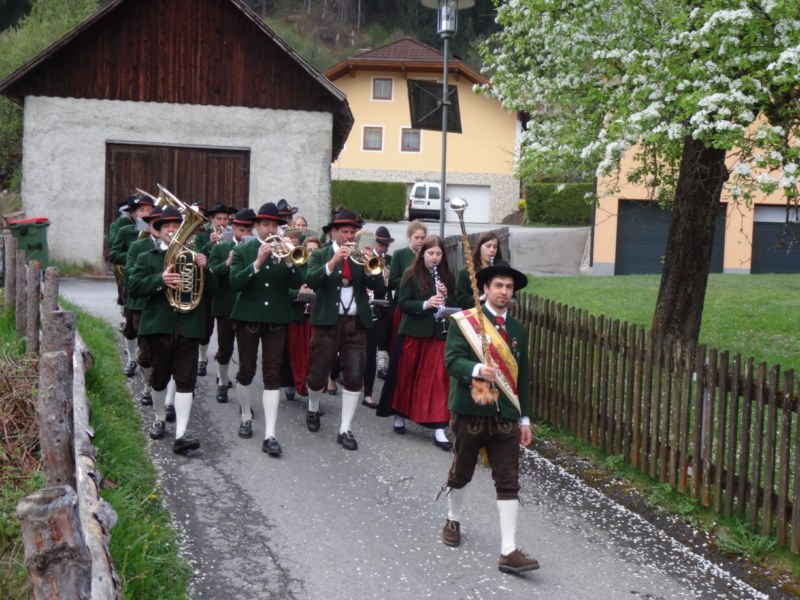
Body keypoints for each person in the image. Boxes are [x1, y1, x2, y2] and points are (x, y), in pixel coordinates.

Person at [440, 260, 538, 574]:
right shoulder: (466, 322)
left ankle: (508, 550)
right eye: (498, 286)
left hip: (505, 416)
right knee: (461, 473)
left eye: (509, 287)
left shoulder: (518, 331)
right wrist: (477, 369)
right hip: (470, 412)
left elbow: (522, 378)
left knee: (508, 480)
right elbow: (452, 361)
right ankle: (453, 519)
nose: (504, 292)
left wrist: (525, 419)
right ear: (485, 288)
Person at [127, 206, 217, 454]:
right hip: (160, 326)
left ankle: (181, 433)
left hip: (189, 326)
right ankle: (159, 418)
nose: (171, 230)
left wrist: (206, 268)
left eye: (176, 226)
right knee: (159, 379)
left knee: (186, 379)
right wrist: (160, 280)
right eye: (166, 226)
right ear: (158, 230)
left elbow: (213, 291)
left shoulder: (194, 257)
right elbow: (133, 287)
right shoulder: (148, 257)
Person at [304, 208, 384, 450]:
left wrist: (370, 264)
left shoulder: (361, 257)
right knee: (318, 374)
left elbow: (379, 286)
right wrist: (333, 262)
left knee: (354, 376)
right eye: (345, 232)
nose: (349, 236)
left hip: (355, 324)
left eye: (352, 232)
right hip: (327, 323)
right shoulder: (321, 254)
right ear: (334, 232)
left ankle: (345, 428)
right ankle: (313, 407)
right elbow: (312, 280)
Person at [229, 203, 304, 456]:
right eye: (266, 225)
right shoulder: (243, 250)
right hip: (248, 317)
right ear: (256, 227)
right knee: (246, 369)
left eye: (274, 225)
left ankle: (270, 433)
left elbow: (299, 282)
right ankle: (246, 416)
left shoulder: (285, 251)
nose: (271, 229)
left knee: (272, 373)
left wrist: (290, 261)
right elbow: (235, 283)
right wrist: (258, 262)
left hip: (276, 319)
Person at [384, 236, 456, 446]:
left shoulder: (447, 276)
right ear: (422, 254)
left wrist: (446, 296)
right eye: (431, 253)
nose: (435, 258)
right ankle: (400, 415)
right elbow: (403, 303)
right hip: (414, 333)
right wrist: (426, 304)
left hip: (438, 335)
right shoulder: (411, 273)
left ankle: (439, 427)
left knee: (438, 381)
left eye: (438, 254)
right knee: (408, 375)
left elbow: (456, 303)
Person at [207, 207, 256, 403]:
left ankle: (244, 390)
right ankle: (222, 381)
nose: (245, 234)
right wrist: (226, 264)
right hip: (225, 305)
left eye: (249, 230)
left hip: (247, 306)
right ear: (233, 228)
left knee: (246, 353)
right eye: (242, 230)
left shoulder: (256, 250)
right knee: (225, 348)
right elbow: (210, 274)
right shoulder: (220, 248)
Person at [109, 194, 155, 376]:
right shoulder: (126, 231)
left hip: (153, 285)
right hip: (133, 283)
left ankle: (148, 365)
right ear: (135, 213)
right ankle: (131, 358)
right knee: (130, 328)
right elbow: (114, 255)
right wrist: (132, 255)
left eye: (150, 210)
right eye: (142, 210)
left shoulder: (158, 233)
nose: (145, 213)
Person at [123, 205, 163, 406]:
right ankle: (148, 384)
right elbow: (130, 273)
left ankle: (165, 393)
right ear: (148, 226)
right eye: (157, 225)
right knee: (145, 353)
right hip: (142, 305)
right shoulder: (138, 246)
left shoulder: (179, 248)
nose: (163, 229)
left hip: (167, 307)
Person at [195, 201, 237, 376]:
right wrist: (210, 244)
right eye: (219, 219)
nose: (222, 222)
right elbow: (196, 254)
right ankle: (202, 358)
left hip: (223, 288)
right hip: (205, 287)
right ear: (212, 219)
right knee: (206, 328)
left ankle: (222, 371)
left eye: (225, 219)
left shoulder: (232, 234)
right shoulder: (201, 234)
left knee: (223, 334)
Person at [285, 236, 322, 401]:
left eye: (316, 250)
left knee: (315, 356)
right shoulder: (296, 267)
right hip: (298, 316)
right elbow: (283, 290)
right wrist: (298, 292)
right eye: (309, 250)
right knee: (295, 353)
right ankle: (292, 382)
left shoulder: (323, 268)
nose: (312, 253)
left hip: (316, 317)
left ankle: (313, 392)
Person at [455, 231, 503, 308]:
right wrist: (482, 297)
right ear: (479, 247)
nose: (492, 250)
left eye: (495, 247)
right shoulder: (464, 272)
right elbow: (462, 301)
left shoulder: (502, 270)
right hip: (474, 313)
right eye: (488, 246)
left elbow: (512, 298)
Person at [373, 226, 395, 379]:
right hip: (373, 299)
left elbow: (394, 284)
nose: (383, 248)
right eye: (380, 244)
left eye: (386, 245)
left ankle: (383, 366)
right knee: (377, 333)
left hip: (387, 300)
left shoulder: (390, 260)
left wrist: (390, 277)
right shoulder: (369, 258)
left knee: (386, 332)